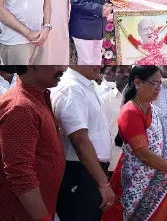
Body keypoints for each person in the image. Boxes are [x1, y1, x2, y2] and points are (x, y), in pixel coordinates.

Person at [101, 65, 167, 221]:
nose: (158, 88)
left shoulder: (157, 112)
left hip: (166, 186)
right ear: (137, 82)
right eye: (154, 83)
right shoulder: (130, 112)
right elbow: (144, 155)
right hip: (138, 191)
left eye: (159, 84)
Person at [0, 66, 66, 221]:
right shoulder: (20, 107)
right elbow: (19, 172)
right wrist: (43, 218)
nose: (63, 68)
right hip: (24, 214)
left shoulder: (37, 98)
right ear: (32, 65)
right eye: (55, 62)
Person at [51, 66, 115, 221]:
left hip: (91, 171)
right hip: (80, 172)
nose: (99, 63)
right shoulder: (71, 88)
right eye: (92, 54)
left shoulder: (86, 85)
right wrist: (103, 183)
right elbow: (80, 142)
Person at [101, 66, 131, 176]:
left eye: (129, 71)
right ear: (113, 75)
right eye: (121, 71)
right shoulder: (104, 100)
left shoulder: (140, 99)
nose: (126, 74)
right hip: (112, 160)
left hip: (136, 162)